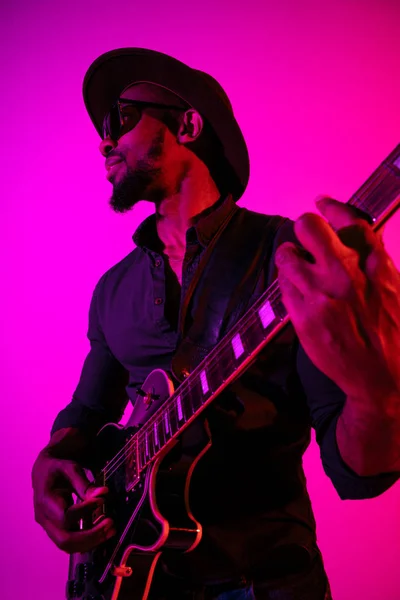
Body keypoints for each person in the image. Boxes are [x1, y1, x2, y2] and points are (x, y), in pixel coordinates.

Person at [31, 48, 400, 600]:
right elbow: (88, 412)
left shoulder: (287, 257)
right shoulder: (112, 290)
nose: (105, 141)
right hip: (135, 581)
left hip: (267, 581)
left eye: (120, 120)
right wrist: (49, 466)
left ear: (188, 124)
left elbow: (357, 473)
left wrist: (381, 399)